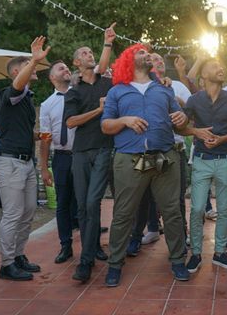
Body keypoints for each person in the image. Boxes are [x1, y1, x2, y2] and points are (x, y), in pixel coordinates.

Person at [101, 43, 190, 287]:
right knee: (123, 214)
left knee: (172, 212)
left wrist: (182, 117)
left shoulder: (163, 89)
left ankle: (178, 261)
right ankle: (115, 265)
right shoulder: (117, 91)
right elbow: (105, 125)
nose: (147, 55)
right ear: (129, 60)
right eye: (141, 52)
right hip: (129, 159)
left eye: (148, 52)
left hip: (165, 157)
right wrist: (124, 120)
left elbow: (179, 124)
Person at [181, 58, 227, 272]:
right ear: (203, 77)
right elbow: (181, 128)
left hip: (225, 160)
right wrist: (195, 132)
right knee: (198, 208)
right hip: (201, 160)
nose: (220, 68)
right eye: (214, 66)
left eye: (221, 66)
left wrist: (222, 139)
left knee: (225, 209)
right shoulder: (194, 100)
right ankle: (196, 254)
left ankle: (219, 253)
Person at [0, 37, 49, 281]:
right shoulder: (8, 93)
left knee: (28, 212)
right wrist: (34, 58)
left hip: (25, 162)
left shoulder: (27, 99)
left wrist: (37, 136)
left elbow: (16, 129)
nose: (35, 68)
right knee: (14, 213)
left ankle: (17, 255)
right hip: (9, 163)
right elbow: (17, 86)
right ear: (17, 71)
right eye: (29, 65)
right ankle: (6, 265)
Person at [64, 26, 116, 283]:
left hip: (104, 149)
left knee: (92, 202)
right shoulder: (74, 91)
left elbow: (106, 65)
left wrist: (107, 43)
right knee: (83, 208)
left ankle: (85, 262)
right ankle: (91, 248)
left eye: (91, 52)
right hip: (80, 153)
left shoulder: (106, 82)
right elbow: (71, 122)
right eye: (84, 53)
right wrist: (98, 111)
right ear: (77, 62)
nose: (89, 54)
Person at [127, 52, 192, 255]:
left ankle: (181, 238)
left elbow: (190, 110)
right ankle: (142, 234)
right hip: (145, 150)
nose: (158, 62)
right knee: (143, 196)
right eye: (154, 59)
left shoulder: (175, 85)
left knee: (176, 200)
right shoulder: (138, 87)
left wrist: (172, 94)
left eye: (161, 60)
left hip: (174, 149)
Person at [39, 60, 78, 264]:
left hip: (81, 155)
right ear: (52, 77)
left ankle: (94, 244)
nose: (67, 70)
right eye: (61, 68)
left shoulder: (79, 95)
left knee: (86, 201)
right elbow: (45, 137)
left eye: (67, 68)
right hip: (61, 157)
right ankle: (65, 245)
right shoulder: (47, 105)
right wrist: (44, 168)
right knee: (62, 203)